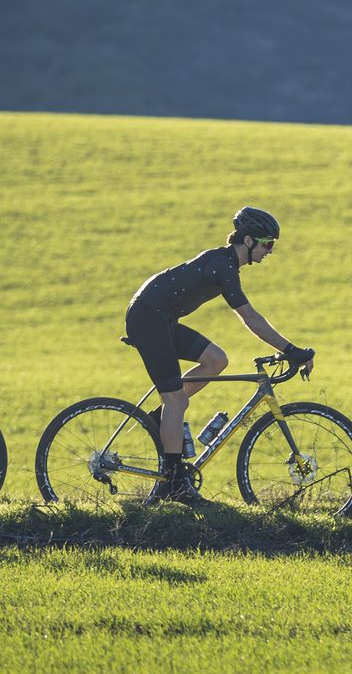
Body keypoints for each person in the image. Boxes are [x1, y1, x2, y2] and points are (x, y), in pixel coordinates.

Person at [123, 206, 314, 503]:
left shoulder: (225, 263)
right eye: (267, 244)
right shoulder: (222, 265)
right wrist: (290, 350)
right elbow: (251, 318)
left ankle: (164, 418)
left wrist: (290, 350)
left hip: (161, 318)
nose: (270, 251)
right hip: (148, 319)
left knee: (216, 360)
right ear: (248, 241)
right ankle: (173, 484)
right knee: (176, 399)